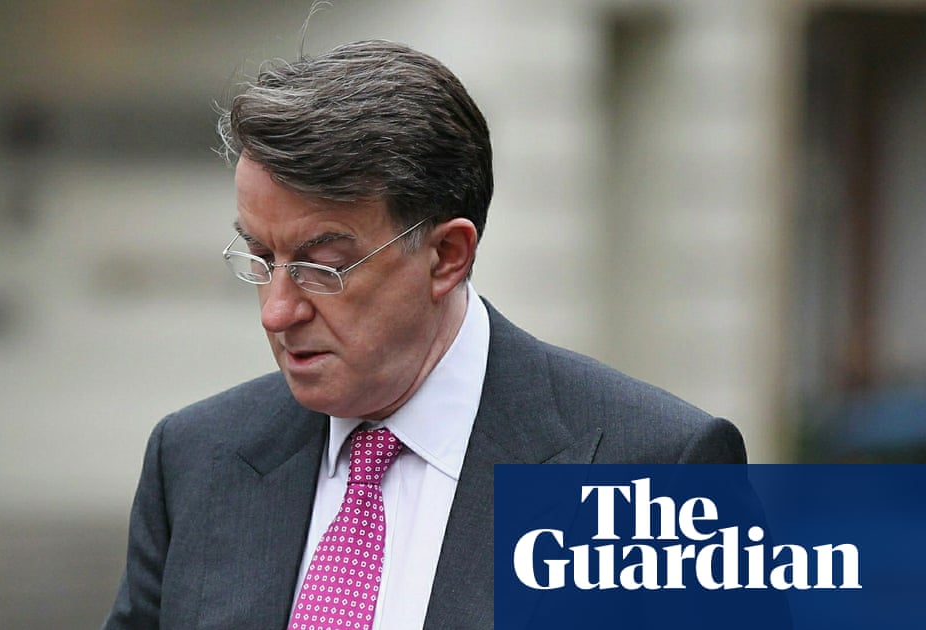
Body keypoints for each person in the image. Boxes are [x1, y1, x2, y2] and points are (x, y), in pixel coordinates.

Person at [102, 40, 746, 630]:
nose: (277, 312)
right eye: (263, 259)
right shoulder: (195, 458)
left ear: (446, 257)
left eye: (322, 268)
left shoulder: (654, 471)